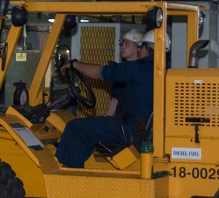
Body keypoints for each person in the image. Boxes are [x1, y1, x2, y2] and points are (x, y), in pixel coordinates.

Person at [55, 30, 155, 168]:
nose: (123, 46)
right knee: (91, 130)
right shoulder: (161, 70)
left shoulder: (136, 69)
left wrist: (74, 65)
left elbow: (98, 73)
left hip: (128, 129)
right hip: (139, 129)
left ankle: (72, 177)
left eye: (128, 43)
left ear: (143, 47)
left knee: (75, 128)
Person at [106, 29, 144, 117]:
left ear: (138, 47)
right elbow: (115, 100)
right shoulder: (121, 71)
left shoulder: (142, 71)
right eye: (122, 44)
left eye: (127, 44)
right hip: (121, 121)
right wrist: (106, 120)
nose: (123, 47)